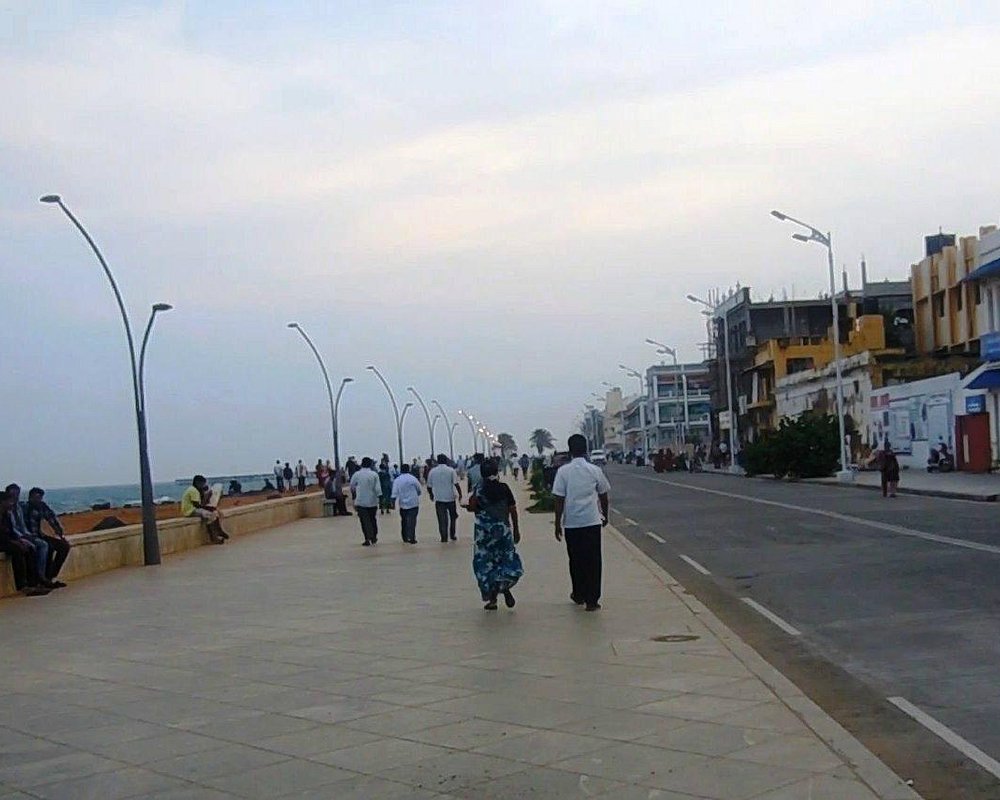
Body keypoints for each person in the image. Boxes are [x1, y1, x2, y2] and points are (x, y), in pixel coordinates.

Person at [553, 434, 611, 611]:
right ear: (585, 449)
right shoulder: (594, 470)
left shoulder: (563, 472)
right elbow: (604, 495)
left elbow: (559, 498)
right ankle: (592, 599)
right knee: (593, 561)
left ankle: (579, 593)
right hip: (592, 521)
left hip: (572, 523)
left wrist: (557, 523)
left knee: (576, 560)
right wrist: (605, 515)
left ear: (570, 450)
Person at [467, 459, 522, 610]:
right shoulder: (504, 488)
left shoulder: (479, 489)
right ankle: (505, 587)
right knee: (505, 560)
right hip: (503, 531)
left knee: (485, 564)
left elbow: (472, 507)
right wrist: (516, 529)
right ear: (496, 472)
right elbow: (512, 509)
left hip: (484, 534)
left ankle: (492, 600)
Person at [0, 490, 49, 596]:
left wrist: (20, 540)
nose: (11, 503)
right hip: (2, 542)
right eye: (9, 501)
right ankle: (22, 586)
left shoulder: (6, 515)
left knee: (30, 548)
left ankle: (33, 583)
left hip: (8, 540)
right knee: (18, 551)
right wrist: (15, 542)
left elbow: (12, 531)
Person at [24, 488, 71, 587]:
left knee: (64, 547)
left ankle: (50, 576)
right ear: (30, 497)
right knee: (47, 547)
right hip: (29, 537)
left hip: (40, 535)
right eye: (35, 498)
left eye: (39, 498)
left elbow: (52, 519)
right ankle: (41, 578)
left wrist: (61, 535)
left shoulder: (42, 506)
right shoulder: (24, 507)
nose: (38, 500)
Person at [181, 475, 229, 544]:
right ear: (198, 483)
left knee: (216, 513)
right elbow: (197, 505)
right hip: (190, 510)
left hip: (194, 509)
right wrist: (209, 508)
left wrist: (206, 494)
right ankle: (213, 537)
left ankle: (219, 530)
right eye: (202, 483)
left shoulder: (197, 490)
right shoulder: (193, 490)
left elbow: (202, 502)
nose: (203, 485)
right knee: (210, 515)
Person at [427, 454, 463, 542]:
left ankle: (444, 537)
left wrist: (431, 495)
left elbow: (429, 486)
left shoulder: (432, 471)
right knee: (453, 517)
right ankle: (452, 534)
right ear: (446, 461)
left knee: (442, 519)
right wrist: (460, 494)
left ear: (437, 461)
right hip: (450, 497)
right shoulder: (451, 470)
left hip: (439, 498)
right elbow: (456, 484)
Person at [350, 457, 381, 545]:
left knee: (364, 520)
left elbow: (352, 486)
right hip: (372, 501)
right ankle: (374, 536)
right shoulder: (374, 474)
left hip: (360, 501)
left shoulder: (356, 474)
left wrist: (355, 494)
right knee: (372, 519)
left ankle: (367, 538)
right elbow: (378, 489)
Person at [391, 464, 422, 543]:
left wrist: (393, 504)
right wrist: (417, 494)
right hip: (413, 503)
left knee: (404, 520)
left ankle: (405, 537)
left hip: (403, 504)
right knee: (412, 521)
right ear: (409, 469)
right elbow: (419, 490)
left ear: (401, 470)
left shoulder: (397, 480)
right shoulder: (413, 479)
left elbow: (394, 493)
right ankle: (412, 537)